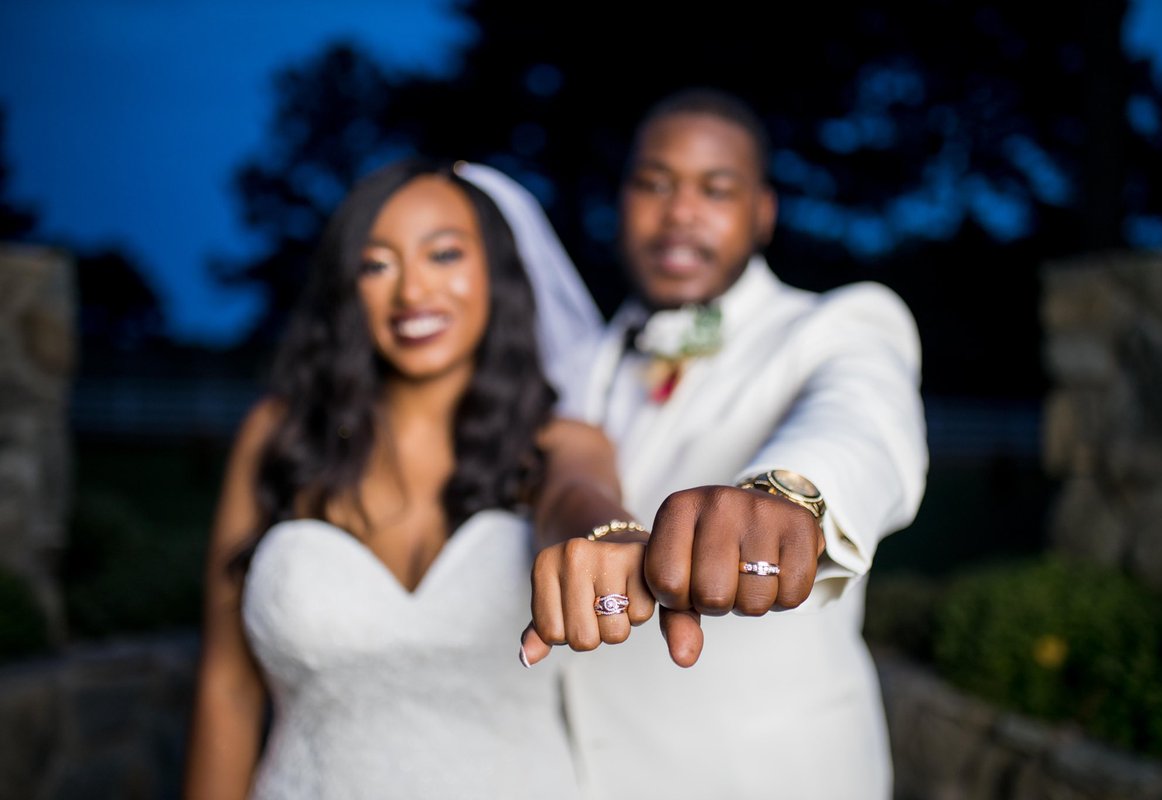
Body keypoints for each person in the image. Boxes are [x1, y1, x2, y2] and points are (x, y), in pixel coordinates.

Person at [182, 158, 635, 799]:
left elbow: (579, 498)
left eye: (444, 255)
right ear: (349, 288)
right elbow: (226, 688)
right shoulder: (278, 436)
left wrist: (612, 540)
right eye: (377, 264)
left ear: (498, 274)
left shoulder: (559, 443)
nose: (413, 292)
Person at [522, 88, 929, 798]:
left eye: (715, 189)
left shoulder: (837, 325)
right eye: (654, 184)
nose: (680, 212)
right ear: (622, 202)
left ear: (761, 213)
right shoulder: (589, 362)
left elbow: (864, 422)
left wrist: (784, 495)